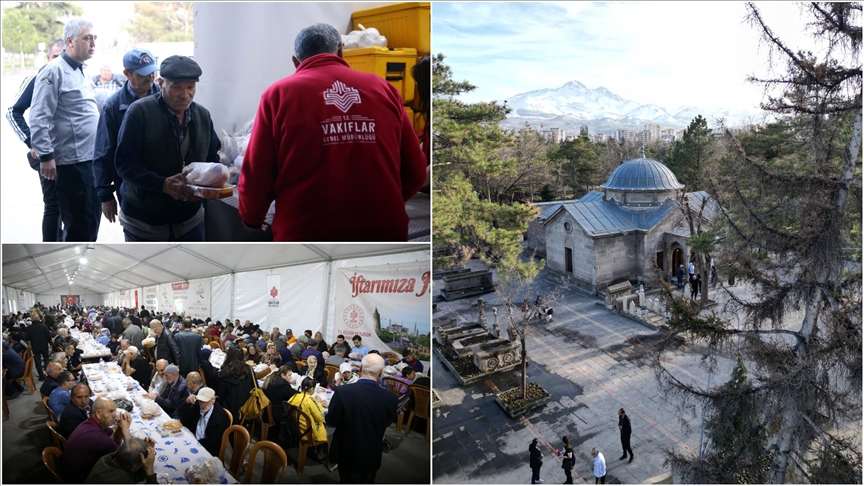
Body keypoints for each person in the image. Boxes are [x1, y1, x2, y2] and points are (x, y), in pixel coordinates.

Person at [237, 23, 426, 241]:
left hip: (306, 235)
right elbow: (415, 170)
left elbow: (257, 173)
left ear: (295, 62)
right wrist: (385, 203)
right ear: (341, 50)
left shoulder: (277, 96)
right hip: (384, 231)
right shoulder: (384, 89)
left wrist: (251, 218)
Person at [114, 55, 221, 241]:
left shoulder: (203, 116)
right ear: (161, 83)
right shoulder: (139, 113)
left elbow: (212, 157)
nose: (185, 94)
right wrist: (162, 184)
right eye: (177, 87)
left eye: (190, 87)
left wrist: (214, 177)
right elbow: (125, 164)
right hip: (144, 223)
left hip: (190, 221)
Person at [30, 18, 101, 242]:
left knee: (91, 221)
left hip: (89, 161)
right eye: (87, 38)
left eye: (94, 38)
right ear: (69, 41)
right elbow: (39, 116)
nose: (93, 43)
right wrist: (46, 156)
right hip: (72, 165)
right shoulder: (53, 71)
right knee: (79, 227)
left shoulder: (80, 71)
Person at [6, 38, 66, 241]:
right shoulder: (37, 79)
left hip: (73, 155)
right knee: (53, 205)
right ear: (48, 57)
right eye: (56, 56)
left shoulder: (75, 78)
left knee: (75, 205)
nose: (60, 61)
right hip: (47, 155)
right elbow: (13, 112)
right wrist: (32, 142)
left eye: (64, 56)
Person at [326, 353, 398, 483]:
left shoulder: (343, 392)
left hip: (346, 452)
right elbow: (386, 423)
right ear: (381, 372)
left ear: (359, 369)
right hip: (371, 453)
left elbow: (332, 421)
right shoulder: (391, 399)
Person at [61, 396, 132, 483]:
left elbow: (113, 437)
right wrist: (125, 430)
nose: (114, 415)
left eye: (115, 410)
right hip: (79, 479)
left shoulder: (91, 423)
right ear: (98, 413)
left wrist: (120, 429)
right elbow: (130, 456)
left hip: (71, 470)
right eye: (110, 411)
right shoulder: (97, 438)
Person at [176, 387, 230, 457]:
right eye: (200, 401)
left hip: (206, 450)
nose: (202, 405)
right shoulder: (197, 406)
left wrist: (193, 443)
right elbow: (182, 416)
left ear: (213, 400)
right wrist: (186, 403)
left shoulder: (220, 418)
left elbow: (212, 442)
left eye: (205, 401)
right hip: (192, 440)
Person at [287, 376, 329, 460]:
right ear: (311, 389)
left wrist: (318, 403)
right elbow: (320, 418)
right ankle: (323, 451)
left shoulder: (294, 396)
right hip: (307, 432)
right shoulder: (310, 400)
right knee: (330, 426)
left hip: (295, 428)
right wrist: (319, 404)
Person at [85, 437, 157, 484]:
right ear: (134, 468)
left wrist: (145, 450)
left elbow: (136, 475)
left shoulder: (107, 458)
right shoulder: (122, 480)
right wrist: (149, 470)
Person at [216, 346, 254, 424]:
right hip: (246, 407)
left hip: (229, 409)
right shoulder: (248, 370)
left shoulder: (224, 373)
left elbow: (221, 394)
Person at [262, 365, 298, 440]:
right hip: (277, 413)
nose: (291, 377)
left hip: (267, 410)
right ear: (282, 375)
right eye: (289, 375)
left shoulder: (272, 379)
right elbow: (295, 395)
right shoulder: (282, 385)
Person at [26, 312, 52, 381]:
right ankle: (46, 372)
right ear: (39, 319)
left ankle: (41, 376)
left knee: (38, 361)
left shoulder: (29, 328)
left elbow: (27, 338)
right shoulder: (44, 326)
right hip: (44, 345)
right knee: (46, 359)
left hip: (35, 346)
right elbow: (49, 336)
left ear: (32, 319)